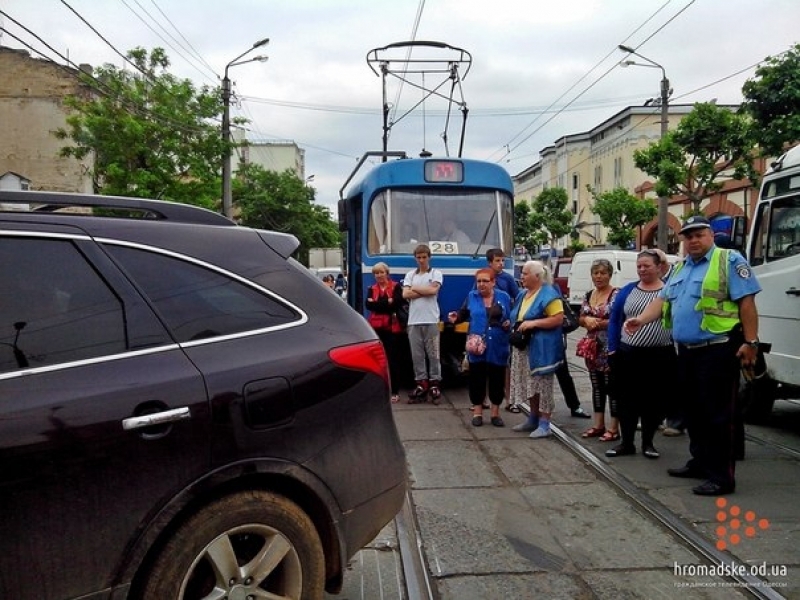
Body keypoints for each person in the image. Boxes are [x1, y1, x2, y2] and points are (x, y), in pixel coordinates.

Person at [624, 215, 761, 496]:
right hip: (686, 352)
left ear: (710, 235)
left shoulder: (729, 261)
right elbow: (662, 301)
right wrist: (640, 319)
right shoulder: (681, 268)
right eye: (688, 236)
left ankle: (722, 477)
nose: (693, 240)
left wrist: (751, 342)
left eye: (699, 234)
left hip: (719, 349)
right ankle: (700, 462)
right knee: (694, 412)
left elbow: (747, 302)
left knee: (718, 415)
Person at [606, 249, 676, 459]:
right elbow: (614, 319)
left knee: (652, 402)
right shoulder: (627, 290)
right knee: (627, 400)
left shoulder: (669, 290)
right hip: (628, 354)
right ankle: (626, 443)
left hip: (660, 356)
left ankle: (648, 443)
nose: (642, 270)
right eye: (639, 266)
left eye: (647, 265)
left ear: (658, 267)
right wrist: (612, 348)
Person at [448, 268, 512, 427]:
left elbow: (512, 316)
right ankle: (477, 412)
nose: (481, 284)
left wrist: (509, 323)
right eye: (479, 281)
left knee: (497, 378)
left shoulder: (503, 297)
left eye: (485, 281)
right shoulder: (472, 296)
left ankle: (495, 413)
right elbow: (463, 313)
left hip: (498, 344)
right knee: (477, 378)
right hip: (477, 345)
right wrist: (456, 318)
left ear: (493, 282)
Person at [508, 260, 565, 439]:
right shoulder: (523, 294)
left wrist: (534, 323)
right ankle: (533, 418)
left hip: (542, 349)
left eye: (525, 273)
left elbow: (558, 319)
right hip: (524, 347)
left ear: (537, 276)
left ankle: (545, 423)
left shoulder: (549, 294)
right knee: (530, 383)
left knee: (543, 385)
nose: (521, 276)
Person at [577, 258, 620, 442]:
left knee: (612, 387)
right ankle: (598, 424)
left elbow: (620, 320)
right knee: (597, 386)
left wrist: (599, 323)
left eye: (603, 273)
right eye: (596, 273)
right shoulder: (588, 294)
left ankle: (614, 428)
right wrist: (585, 321)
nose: (599, 276)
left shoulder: (616, 294)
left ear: (610, 274)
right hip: (592, 349)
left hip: (609, 347)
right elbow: (580, 317)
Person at [403, 244, 444, 403]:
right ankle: (421, 383)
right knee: (417, 355)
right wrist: (423, 289)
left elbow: (433, 291)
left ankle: (435, 383)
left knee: (434, 354)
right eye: (418, 257)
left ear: (429, 257)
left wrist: (414, 289)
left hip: (431, 320)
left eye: (424, 257)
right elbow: (405, 294)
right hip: (413, 321)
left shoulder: (436, 273)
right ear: (415, 258)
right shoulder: (410, 274)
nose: (421, 260)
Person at [365, 262, 407, 403]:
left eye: (381, 272)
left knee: (393, 359)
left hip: (392, 329)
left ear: (387, 273)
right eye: (376, 273)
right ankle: (378, 390)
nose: (379, 275)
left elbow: (397, 303)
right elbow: (368, 305)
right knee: (377, 360)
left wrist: (379, 304)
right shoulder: (371, 288)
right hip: (376, 328)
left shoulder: (396, 286)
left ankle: (395, 391)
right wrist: (386, 303)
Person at [485, 248, 520, 413]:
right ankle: (483, 399)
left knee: (504, 364)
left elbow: (518, 298)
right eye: (497, 261)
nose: (501, 264)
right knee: (484, 363)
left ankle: (509, 399)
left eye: (502, 260)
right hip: (487, 326)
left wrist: (511, 318)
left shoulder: (507, 279)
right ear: (489, 263)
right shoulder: (483, 277)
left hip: (503, 328)